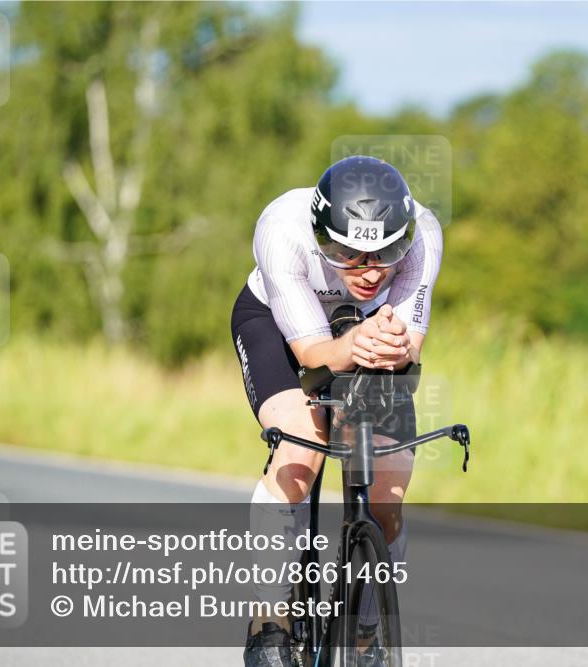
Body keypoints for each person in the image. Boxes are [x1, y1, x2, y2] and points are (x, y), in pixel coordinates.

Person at [231, 155, 443, 667]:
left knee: (387, 493)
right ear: (322, 235)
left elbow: (408, 350)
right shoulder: (282, 228)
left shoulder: (424, 235)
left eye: (385, 254)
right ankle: (270, 620)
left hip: (370, 330)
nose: (369, 272)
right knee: (300, 454)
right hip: (280, 325)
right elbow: (311, 355)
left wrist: (393, 349)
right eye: (348, 254)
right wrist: (352, 346)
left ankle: (366, 629)